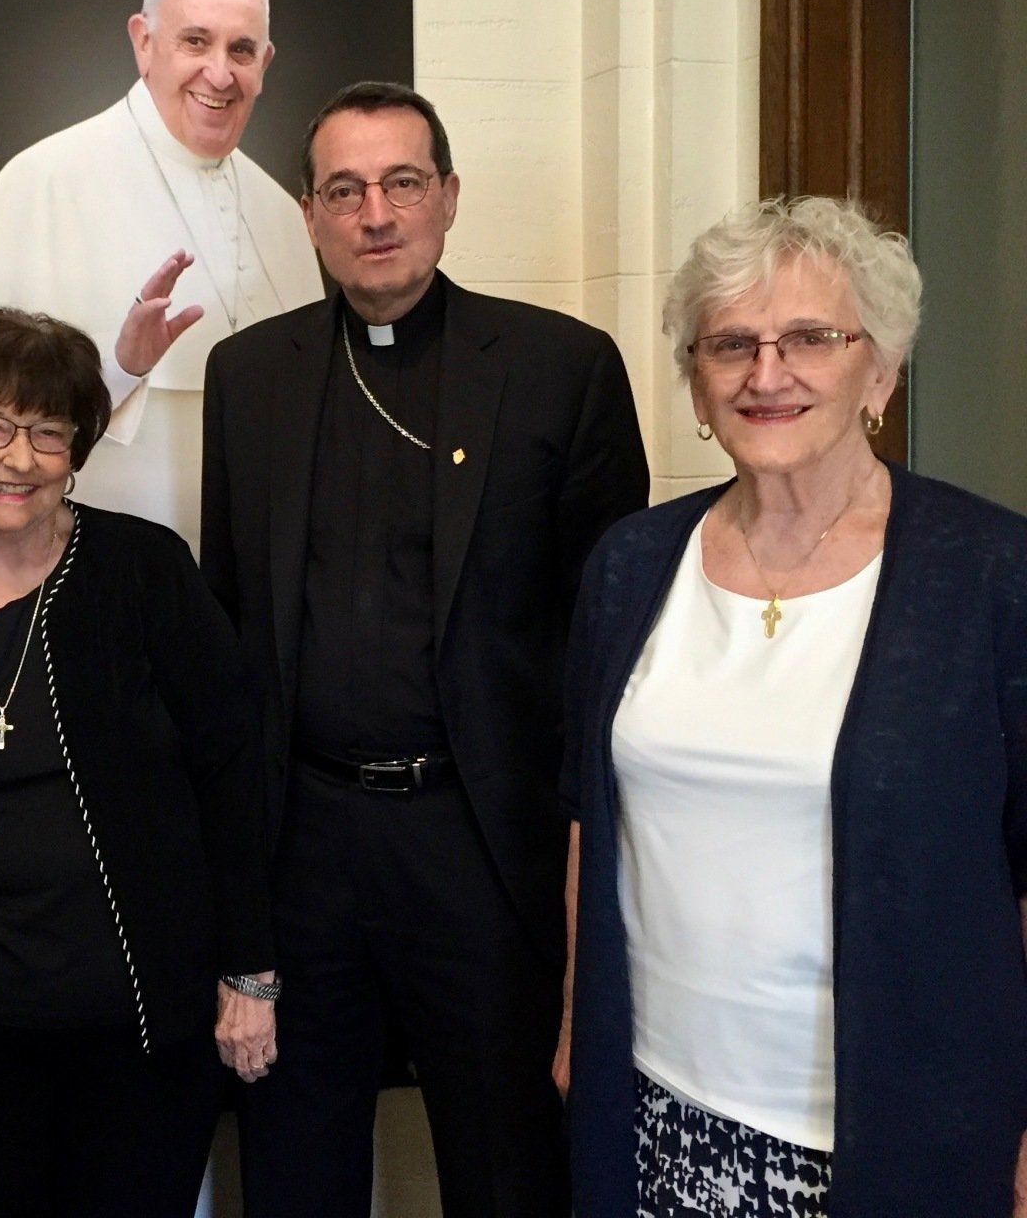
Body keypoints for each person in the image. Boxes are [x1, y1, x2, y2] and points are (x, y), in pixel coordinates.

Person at [202, 81, 648, 1218]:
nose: (376, 212)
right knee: (296, 1165)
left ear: (449, 196)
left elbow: (610, 644)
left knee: (509, 1164)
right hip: (308, 842)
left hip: (483, 842)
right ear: (309, 213)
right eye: (344, 190)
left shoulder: (562, 366)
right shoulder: (248, 378)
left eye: (403, 181)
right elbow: (239, 631)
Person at [559, 196, 1027, 1217]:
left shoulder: (991, 574)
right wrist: (572, 1028)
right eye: (731, 345)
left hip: (897, 1126)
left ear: (883, 371)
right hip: (657, 1105)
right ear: (696, 383)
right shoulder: (633, 563)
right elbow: (595, 821)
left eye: (812, 338)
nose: (767, 375)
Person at [0, 308, 277, 1217]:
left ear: (78, 448)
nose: (19, 459)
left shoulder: (147, 572)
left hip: (138, 1033)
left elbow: (232, 776)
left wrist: (249, 974)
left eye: (48, 432)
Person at [0, 0, 323, 548]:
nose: (220, 73)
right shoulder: (46, 178)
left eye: (242, 50)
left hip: (260, 559)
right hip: (98, 565)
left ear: (266, 62)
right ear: (144, 41)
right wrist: (119, 369)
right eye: (195, 41)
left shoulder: (284, 212)